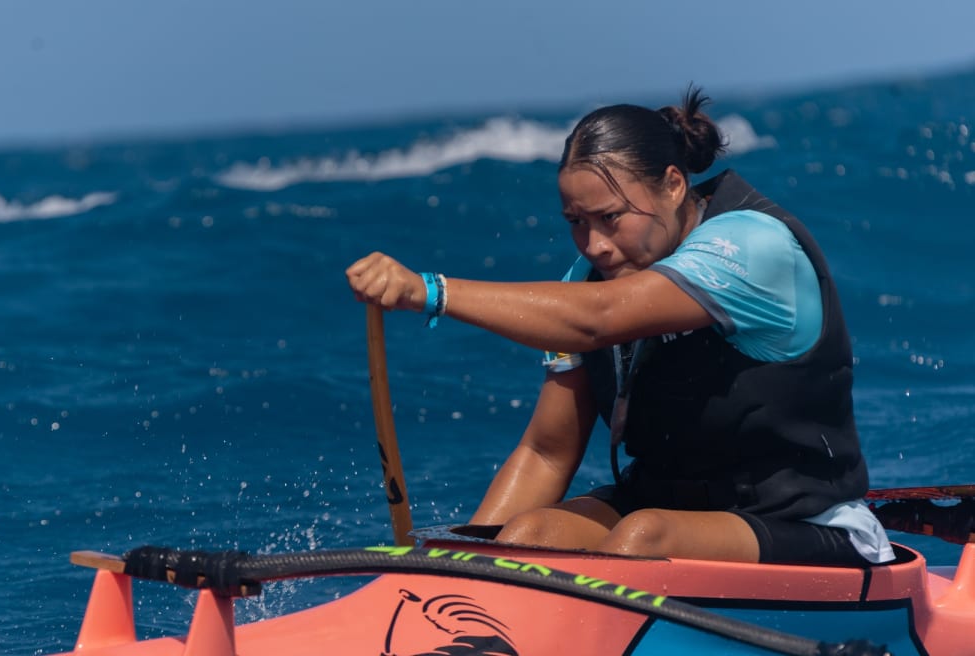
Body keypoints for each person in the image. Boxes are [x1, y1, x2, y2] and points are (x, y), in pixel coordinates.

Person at [345, 87, 895, 567]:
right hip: (662, 510)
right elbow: (546, 452)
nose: (595, 245)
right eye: (575, 224)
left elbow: (600, 319)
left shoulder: (752, 247)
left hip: (808, 522)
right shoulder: (590, 279)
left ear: (674, 185)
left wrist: (431, 291)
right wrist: (466, 568)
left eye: (611, 218)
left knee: (642, 537)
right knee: (529, 537)